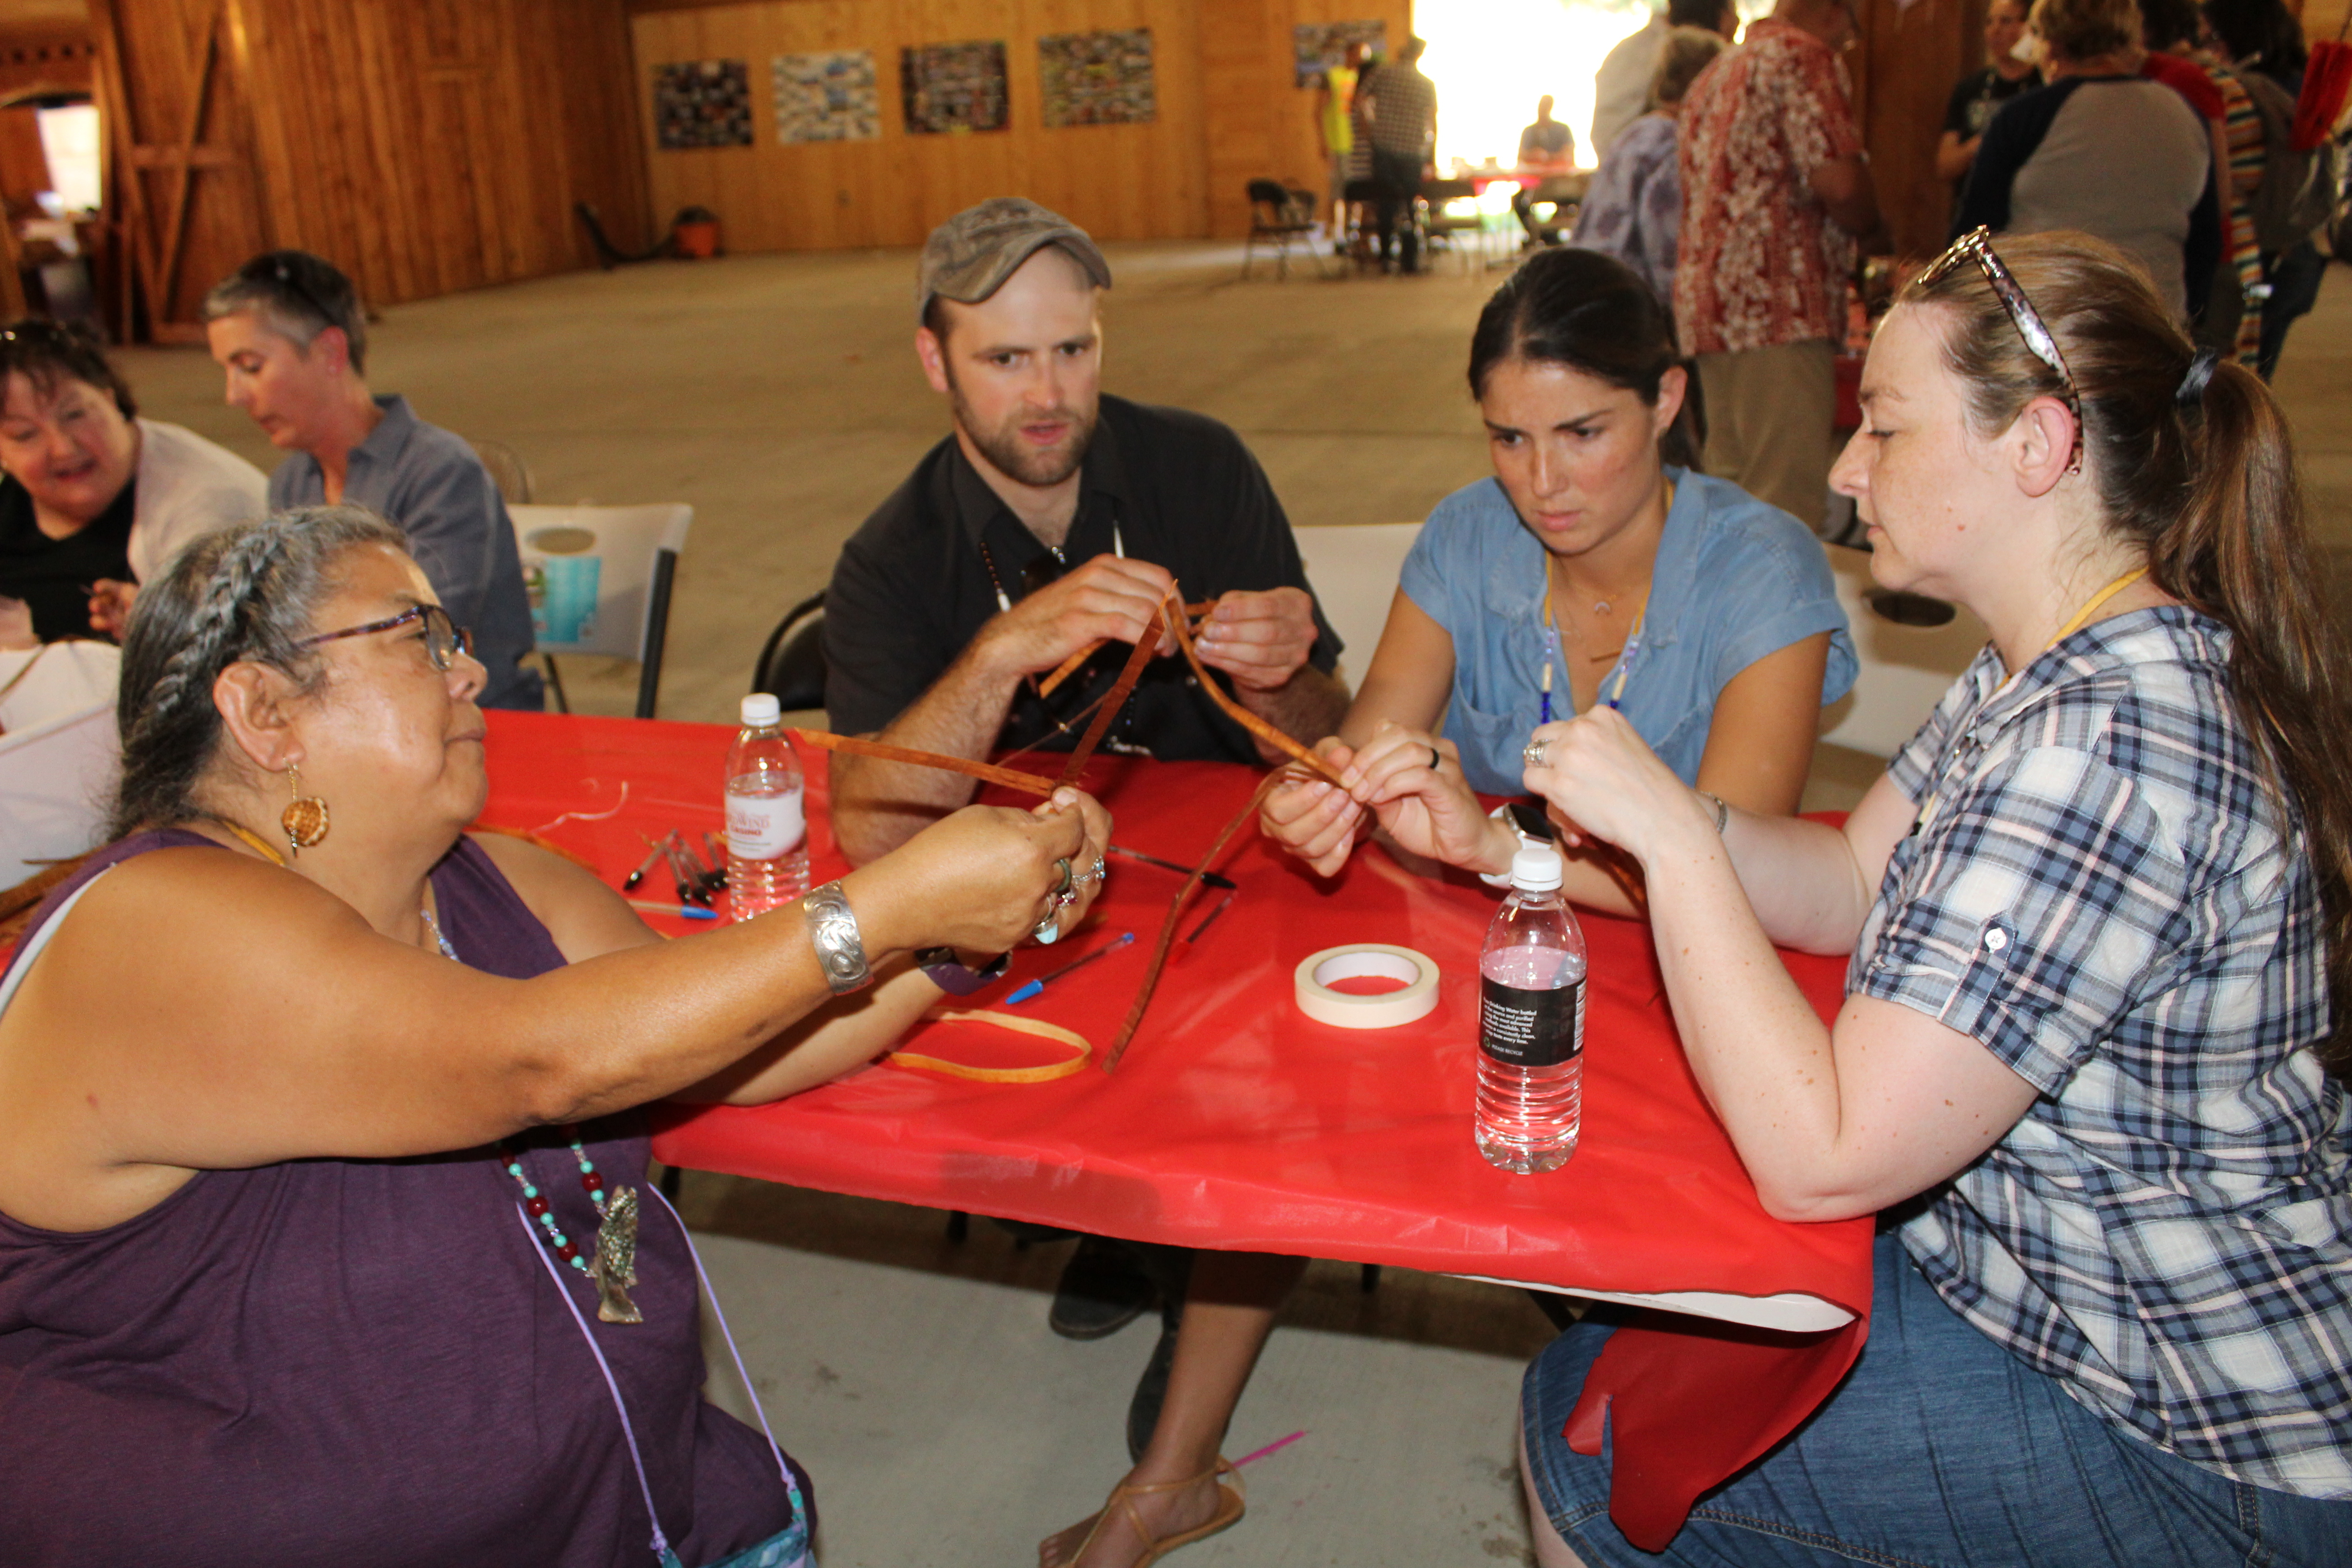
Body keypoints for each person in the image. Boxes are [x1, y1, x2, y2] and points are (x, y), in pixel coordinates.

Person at [0, 505, 1111, 1565]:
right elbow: (541, 1058)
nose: (470, 667)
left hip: (643, 1509)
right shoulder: (156, 929)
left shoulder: (492, 883)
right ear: (264, 714)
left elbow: (721, 1034)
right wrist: (892, 902)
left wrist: (951, 941)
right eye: (417, 635)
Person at [1515, 228, 2352, 1567]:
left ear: (2035, 448)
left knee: (1582, 1443)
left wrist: (1675, 845)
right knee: (1641, 1330)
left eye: (1886, 431)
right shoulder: (2046, 665)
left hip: (2190, 1427)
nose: (1846, 473)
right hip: (2031, 1277)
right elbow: (1849, 882)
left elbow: (1822, 1157)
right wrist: (1658, 819)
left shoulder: (2107, 751)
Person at [1039, 248, 1856, 1568]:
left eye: (1584, 433)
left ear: (1668, 398)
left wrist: (1478, 844)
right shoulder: (1469, 534)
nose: (1543, 482)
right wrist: (1335, 797)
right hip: (1483, 927)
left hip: (1697, 965)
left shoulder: (1758, 569)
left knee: (1713, 1227)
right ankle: (1172, 1477)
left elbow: (1733, 867)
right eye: (1510, 438)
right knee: (1293, 1109)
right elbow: (1373, 744)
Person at [821, 196, 1348, 1396]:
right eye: (1005, 359)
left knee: (1282, 1017)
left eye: (1073, 350)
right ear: (933, 362)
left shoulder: (1198, 468)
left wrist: (1289, 673)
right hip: (1036, 916)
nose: (1048, 391)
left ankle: (1186, 1266)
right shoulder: (893, 558)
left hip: (1227, 886)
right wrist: (1000, 653)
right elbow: (872, 827)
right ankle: (1126, 1223)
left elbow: (1325, 749)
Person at [201, 250, 544, 710]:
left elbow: (421, 635)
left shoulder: (439, 473)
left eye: (251, 366)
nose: (234, 395)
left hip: (472, 720)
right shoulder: (292, 485)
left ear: (330, 352)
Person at [1676, 0, 1880, 534]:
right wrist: (1875, 227)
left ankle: (1724, 617)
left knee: (1730, 500)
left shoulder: (1717, 72)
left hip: (1713, 311)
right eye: (1853, 31)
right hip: (1778, 308)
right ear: (1835, 11)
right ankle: (1777, 621)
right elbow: (1841, 183)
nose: (1847, 45)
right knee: (1784, 512)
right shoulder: (1802, 57)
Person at [1956, 0, 2222, 322]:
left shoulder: (2027, 117)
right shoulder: (2183, 114)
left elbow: (1976, 233)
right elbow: (2206, 240)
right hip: (2153, 322)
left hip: (2046, 322)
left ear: (2051, 43)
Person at [0, 318, 263, 643]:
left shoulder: (207, 509)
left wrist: (162, 637)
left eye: (76, 414)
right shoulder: (11, 502)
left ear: (111, 400)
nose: (63, 448)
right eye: (24, 435)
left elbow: (224, 650)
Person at [2202, 0, 2323, 378]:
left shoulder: (2240, 91)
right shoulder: (2297, 85)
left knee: (2231, 376)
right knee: (2254, 374)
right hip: (2299, 249)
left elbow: (2236, 184)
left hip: (2262, 253)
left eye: (2211, 36)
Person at [1568, 28, 1729, 305]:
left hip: (1587, 291)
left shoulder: (1637, 133)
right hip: (1623, 306)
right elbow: (1667, 258)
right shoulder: (1672, 146)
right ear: (1705, 84)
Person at [2141, 0, 2264, 363]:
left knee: (2206, 394)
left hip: (2218, 257)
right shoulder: (2198, 75)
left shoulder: (2185, 79)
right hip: (2225, 250)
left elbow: (2219, 192)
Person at [1592, 0, 1740, 158]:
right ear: (1724, 19)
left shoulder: (1632, 51)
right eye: (1734, 12)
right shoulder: (1685, 53)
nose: (1738, 22)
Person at [1935, 0, 2043, 195]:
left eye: (2005, 22)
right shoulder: (1969, 88)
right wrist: (1975, 147)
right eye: (1989, 22)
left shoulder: (2042, 87)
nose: (1995, 31)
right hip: (1975, 203)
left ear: (2028, 28)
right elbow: (1944, 166)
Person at [1361, 35, 1438, 274]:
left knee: (1385, 204)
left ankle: (1385, 257)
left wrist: (1371, 130)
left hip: (1384, 148)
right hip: (1413, 151)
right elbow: (1433, 121)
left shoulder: (1382, 74)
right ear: (1419, 56)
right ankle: (1410, 259)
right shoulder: (1426, 84)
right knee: (1410, 204)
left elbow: (1360, 100)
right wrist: (1431, 156)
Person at [1510, 95, 1585, 248]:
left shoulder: (1562, 130)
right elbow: (1521, 156)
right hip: (1535, 183)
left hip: (1560, 182)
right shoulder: (1530, 132)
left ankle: (1550, 235)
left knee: (1570, 201)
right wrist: (1535, 156)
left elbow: (1569, 155)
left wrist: (1549, 157)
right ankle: (1538, 235)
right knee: (1518, 201)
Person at [1316, 41, 1368, 236]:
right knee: (1338, 189)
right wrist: (1322, 142)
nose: (1362, 60)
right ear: (1349, 53)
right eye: (1359, 55)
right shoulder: (1332, 76)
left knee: (1357, 188)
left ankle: (1351, 228)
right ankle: (1333, 228)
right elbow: (1318, 111)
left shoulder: (1364, 79)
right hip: (1337, 141)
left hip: (1358, 144)